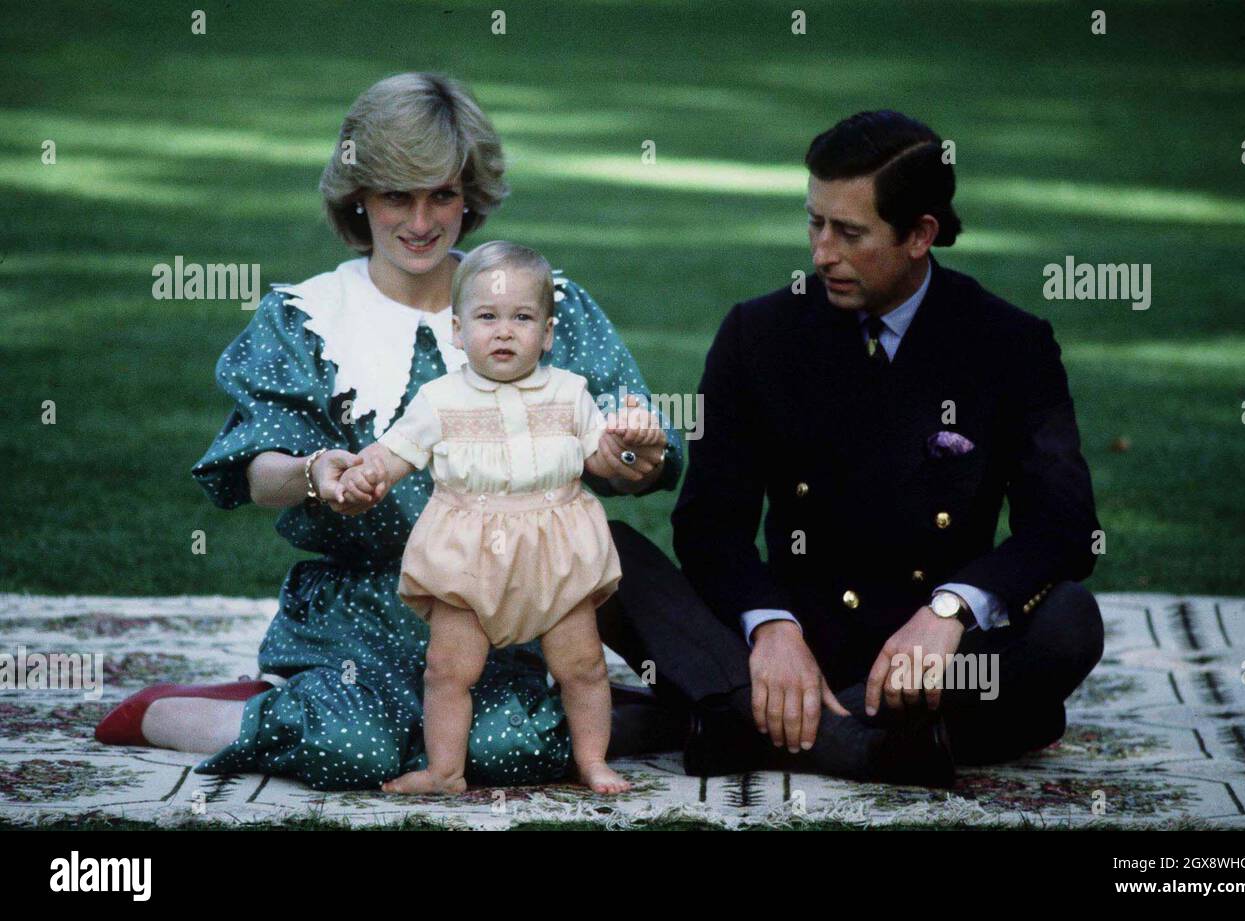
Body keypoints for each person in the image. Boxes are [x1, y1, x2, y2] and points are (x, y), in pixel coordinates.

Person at [94, 72, 685, 790]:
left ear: (470, 196)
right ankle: (228, 709)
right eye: (396, 195)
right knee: (353, 750)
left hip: (505, 609)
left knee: (504, 749)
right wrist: (316, 472)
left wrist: (636, 456)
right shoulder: (306, 317)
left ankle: (577, 706)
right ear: (359, 197)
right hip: (359, 610)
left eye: (442, 193)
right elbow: (253, 468)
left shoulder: (534, 302)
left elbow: (633, 453)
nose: (421, 220)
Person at [643, 109, 1106, 786]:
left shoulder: (1009, 345)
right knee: (615, 558)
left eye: (849, 232)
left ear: (920, 234)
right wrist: (772, 628)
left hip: (927, 668)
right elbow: (709, 522)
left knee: (1071, 621)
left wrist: (951, 609)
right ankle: (868, 744)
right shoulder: (759, 333)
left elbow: (1066, 526)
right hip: (786, 647)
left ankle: (740, 721)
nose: (822, 252)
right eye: (815, 222)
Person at [342, 241, 656, 794]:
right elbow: (394, 453)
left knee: (582, 665)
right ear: (459, 333)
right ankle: (445, 770)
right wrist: (369, 473)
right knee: (447, 669)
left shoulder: (570, 392)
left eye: (522, 318)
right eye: (487, 317)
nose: (504, 331)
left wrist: (627, 445)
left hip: (557, 550)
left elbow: (601, 456)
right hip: (467, 555)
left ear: (549, 333)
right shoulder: (439, 400)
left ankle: (592, 760)